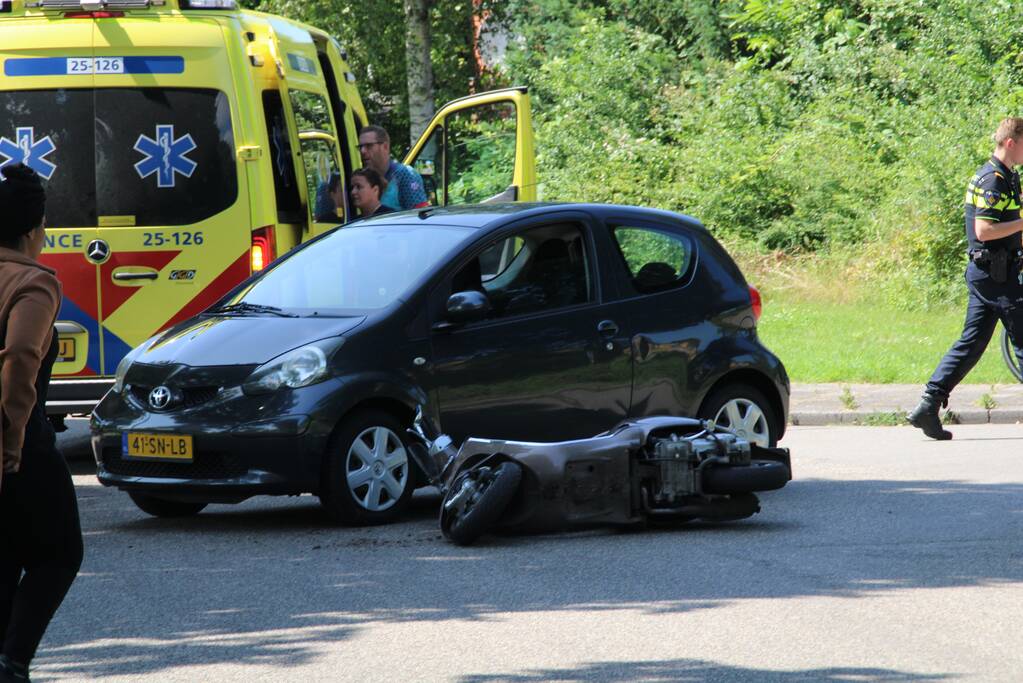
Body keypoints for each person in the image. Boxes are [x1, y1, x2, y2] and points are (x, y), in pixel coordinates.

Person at [0, 163, 83, 682]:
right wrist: (10, 447)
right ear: (34, 230)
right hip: (23, 444)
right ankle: (12, 663)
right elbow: (20, 359)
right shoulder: (34, 282)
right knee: (60, 554)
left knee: (6, 556)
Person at [908, 118, 1023, 439]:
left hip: (995, 272)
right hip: (994, 275)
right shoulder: (993, 180)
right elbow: (984, 231)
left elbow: (1008, 225)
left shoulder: (1007, 176)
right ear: (1011, 143)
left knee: (971, 343)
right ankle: (928, 404)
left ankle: (927, 406)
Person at [357, 125, 429, 211]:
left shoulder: (405, 175)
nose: (363, 151)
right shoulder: (363, 178)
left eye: (369, 146)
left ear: (385, 147)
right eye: (360, 147)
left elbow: (419, 216)